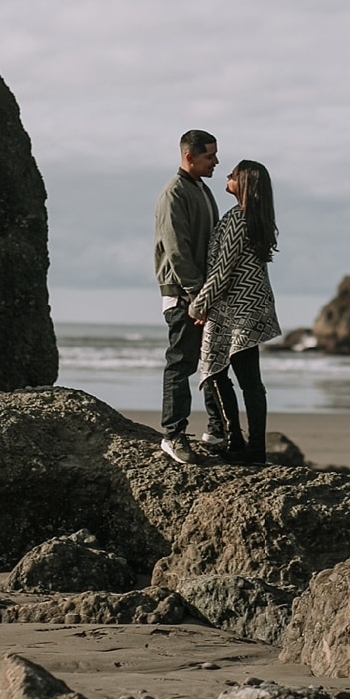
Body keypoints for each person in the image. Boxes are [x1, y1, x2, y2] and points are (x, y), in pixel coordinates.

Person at [188, 162, 281, 464]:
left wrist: (198, 305)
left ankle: (237, 443)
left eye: (233, 175)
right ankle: (254, 448)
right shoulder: (257, 219)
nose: (227, 177)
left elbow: (221, 271)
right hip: (251, 308)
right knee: (250, 381)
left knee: (216, 372)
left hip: (234, 311)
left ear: (244, 183)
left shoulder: (237, 220)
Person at [153, 131, 220, 466]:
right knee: (181, 364)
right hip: (183, 295)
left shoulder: (203, 190)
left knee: (207, 363)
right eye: (210, 156)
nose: (216, 162)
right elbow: (176, 249)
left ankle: (215, 432)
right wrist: (195, 294)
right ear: (189, 157)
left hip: (201, 295)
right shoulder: (174, 193)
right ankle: (173, 436)